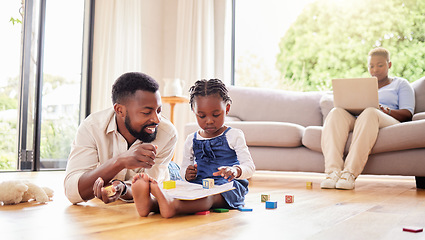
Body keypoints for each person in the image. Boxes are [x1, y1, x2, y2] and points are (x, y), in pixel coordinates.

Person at [132, 78, 255, 218]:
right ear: (194, 110)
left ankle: (173, 207)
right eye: (201, 116)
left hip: (228, 188)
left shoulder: (234, 135)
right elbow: (184, 169)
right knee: (182, 191)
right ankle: (150, 204)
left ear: (227, 108)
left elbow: (249, 167)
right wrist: (187, 174)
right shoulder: (192, 139)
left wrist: (235, 170)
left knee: (209, 198)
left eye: (216, 114)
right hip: (199, 185)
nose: (209, 120)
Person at [64, 72, 178, 204]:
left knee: (177, 185)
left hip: (168, 175)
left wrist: (122, 188)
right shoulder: (91, 127)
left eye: (159, 110)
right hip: (142, 177)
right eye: (146, 112)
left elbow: (150, 188)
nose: (157, 119)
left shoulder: (167, 133)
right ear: (119, 110)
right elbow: (72, 192)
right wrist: (120, 162)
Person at [320, 47, 415, 190]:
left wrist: (386, 110)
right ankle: (332, 173)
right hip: (361, 118)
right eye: (371, 66)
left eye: (380, 65)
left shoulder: (401, 84)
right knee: (335, 113)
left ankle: (349, 174)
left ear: (389, 65)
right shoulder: (363, 86)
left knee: (370, 111)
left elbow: (407, 113)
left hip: (387, 119)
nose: (375, 69)